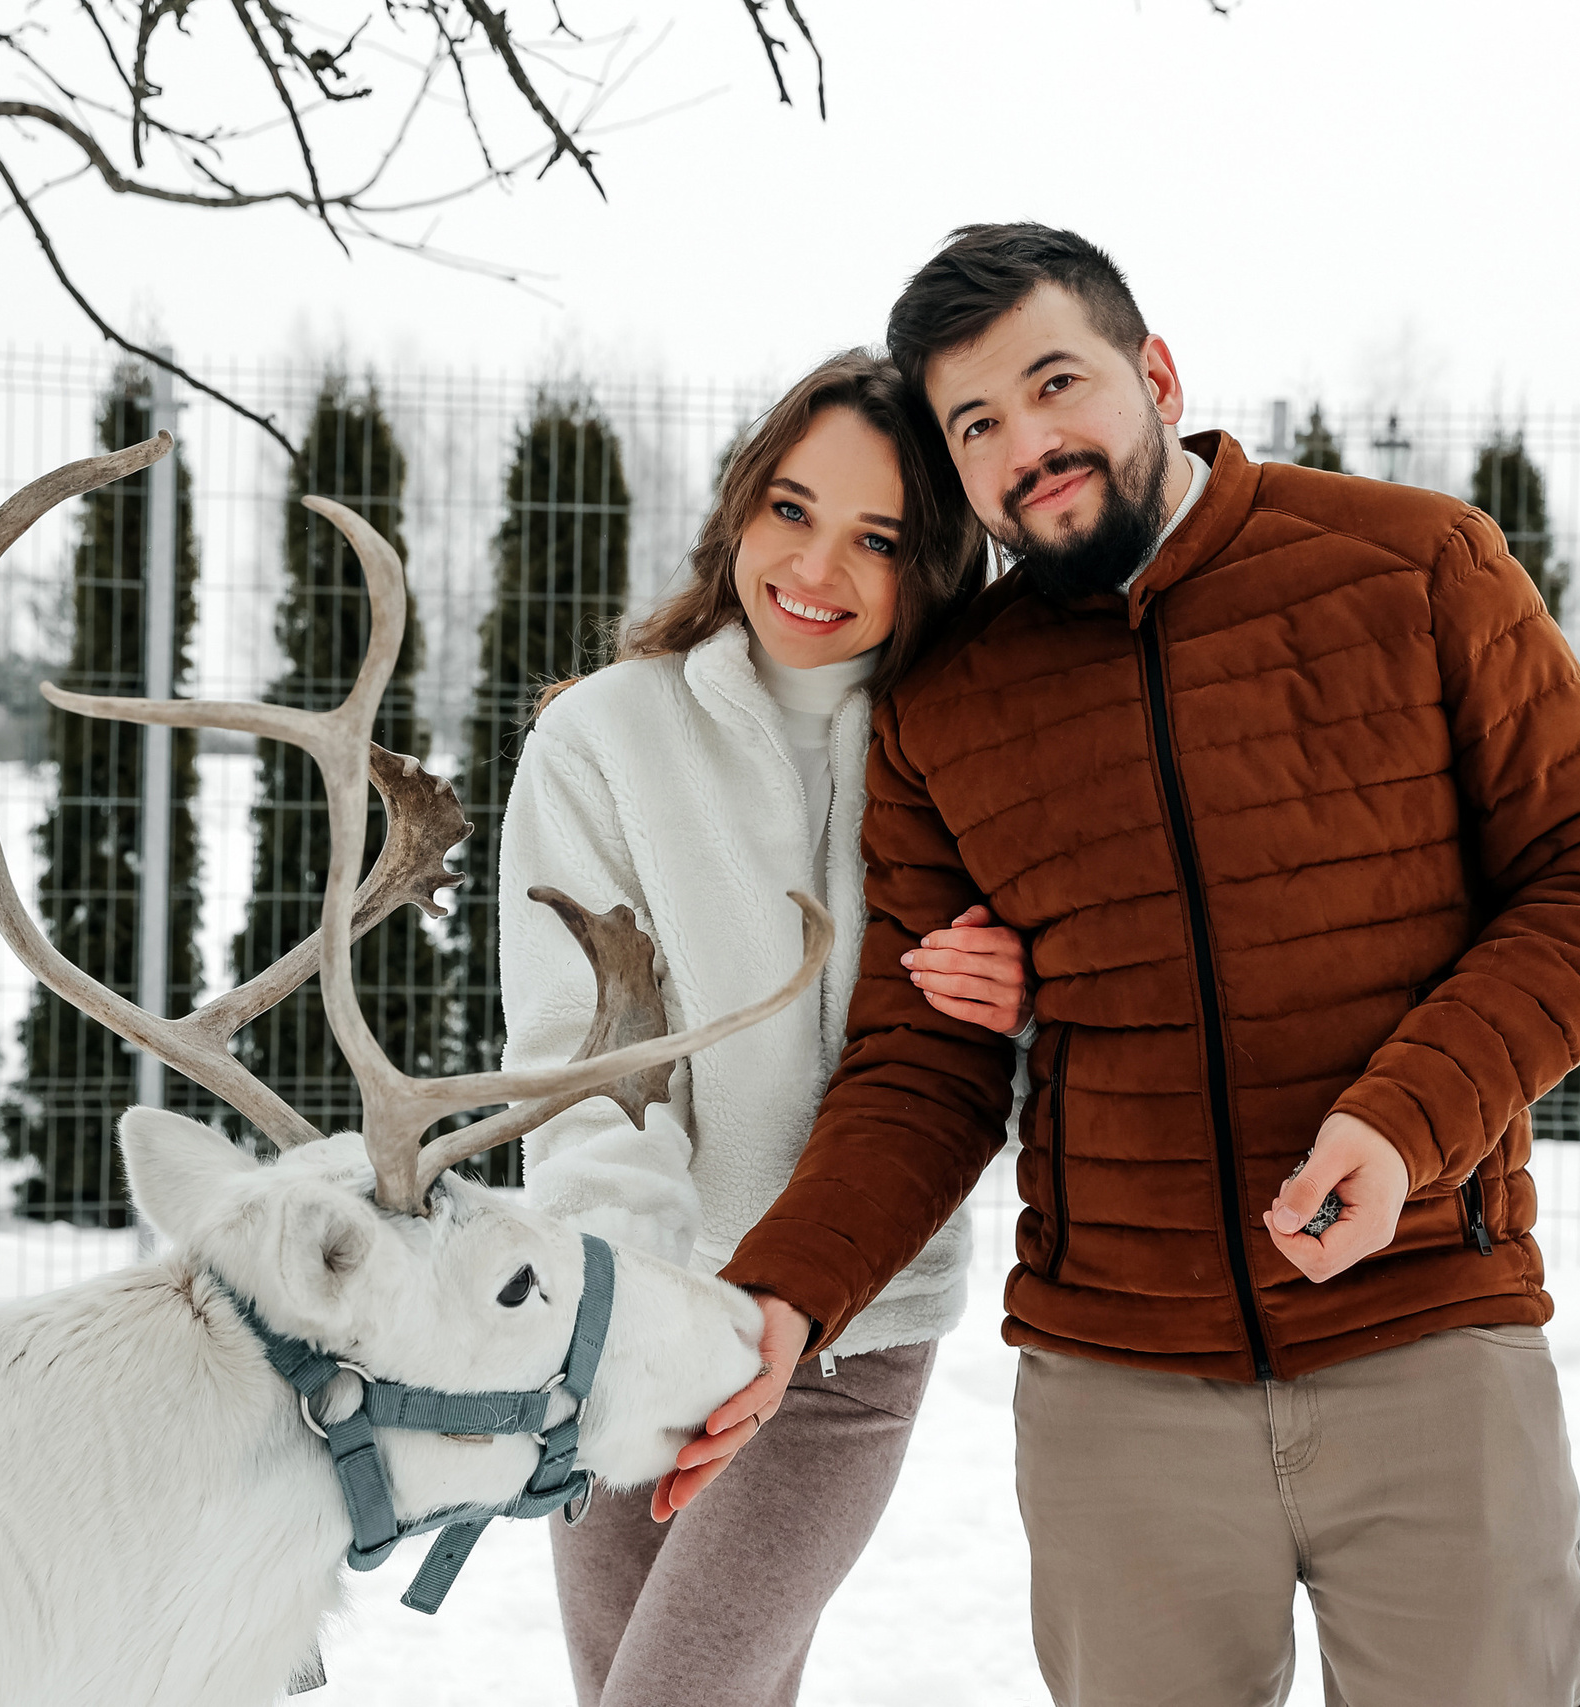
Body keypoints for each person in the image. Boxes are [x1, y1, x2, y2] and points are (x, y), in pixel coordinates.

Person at [678, 226, 1580, 1707]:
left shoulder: (1411, 568)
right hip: (1116, 1398)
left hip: (1427, 1341)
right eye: (977, 425)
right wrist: (786, 1295)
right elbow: (922, 1064)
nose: (1028, 444)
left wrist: (1406, 1127)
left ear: (1155, 370)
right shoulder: (946, 706)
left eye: (1055, 382)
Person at [495, 349, 1029, 1707]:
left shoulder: (977, 755)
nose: (816, 566)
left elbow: (1012, 1058)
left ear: (941, 563)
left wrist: (1027, 1002)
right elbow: (582, 1050)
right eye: (791, 509)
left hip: (847, 1338)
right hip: (631, 1322)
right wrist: (617, 1304)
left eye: (879, 538)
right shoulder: (603, 738)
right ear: (740, 506)